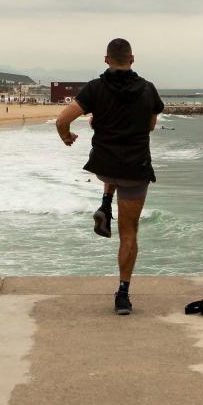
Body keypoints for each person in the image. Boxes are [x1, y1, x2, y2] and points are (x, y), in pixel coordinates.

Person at [54, 38, 164, 316]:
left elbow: (61, 121)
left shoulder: (95, 88)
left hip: (104, 165)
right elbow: (150, 125)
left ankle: (105, 201)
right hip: (135, 170)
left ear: (106, 60)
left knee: (111, 162)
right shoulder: (148, 89)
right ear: (132, 59)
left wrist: (68, 137)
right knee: (129, 234)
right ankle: (123, 295)